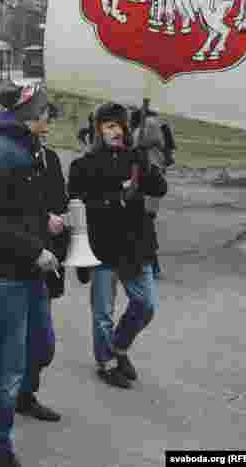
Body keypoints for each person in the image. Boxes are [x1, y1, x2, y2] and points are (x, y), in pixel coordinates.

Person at [0, 83, 55, 467]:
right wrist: (34, 249)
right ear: (27, 113)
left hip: (28, 272)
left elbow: (16, 208)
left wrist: (44, 222)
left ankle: (1, 404)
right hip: (5, 277)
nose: (50, 118)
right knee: (8, 368)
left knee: (42, 348)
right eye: (46, 111)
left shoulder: (24, 146)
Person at [68, 102, 167, 390]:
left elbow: (159, 189)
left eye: (120, 126)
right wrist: (114, 199)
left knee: (146, 304)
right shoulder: (83, 165)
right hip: (102, 246)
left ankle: (120, 346)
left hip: (135, 244)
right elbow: (76, 203)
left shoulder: (135, 159)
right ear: (98, 129)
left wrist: (146, 166)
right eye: (110, 125)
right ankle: (106, 361)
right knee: (103, 312)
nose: (116, 131)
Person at [16, 103, 66, 422]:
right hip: (10, 266)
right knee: (8, 343)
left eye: (49, 122)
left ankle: (25, 393)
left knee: (42, 343)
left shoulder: (52, 159)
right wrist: (40, 221)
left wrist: (61, 220)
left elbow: (60, 201)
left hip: (43, 264)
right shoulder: (9, 159)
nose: (47, 126)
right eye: (42, 120)